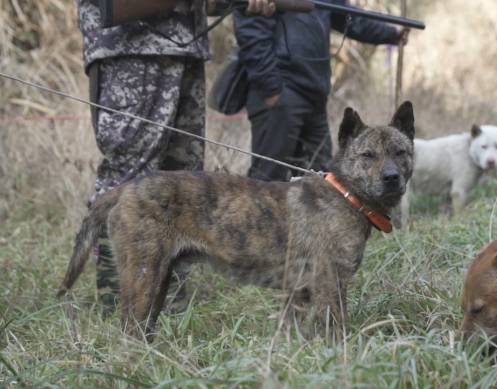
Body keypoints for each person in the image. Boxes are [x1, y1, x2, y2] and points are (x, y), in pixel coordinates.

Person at [76, 0, 275, 317]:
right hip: (132, 48)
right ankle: (118, 308)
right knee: (126, 182)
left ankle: (166, 308)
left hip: (185, 48)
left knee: (182, 190)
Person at [233, 1, 411, 182]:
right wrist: (272, 90)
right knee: (267, 181)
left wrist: (391, 33)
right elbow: (251, 31)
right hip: (281, 94)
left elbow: (349, 17)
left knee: (319, 185)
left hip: (315, 97)